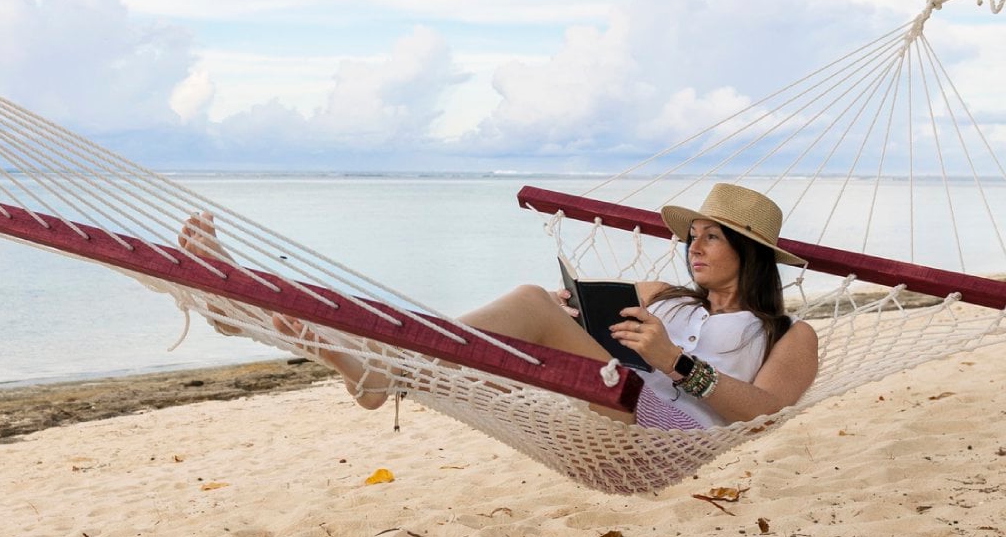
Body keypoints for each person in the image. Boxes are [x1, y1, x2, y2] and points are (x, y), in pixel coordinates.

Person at [178, 182, 819, 428]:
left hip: (674, 430)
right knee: (536, 316)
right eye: (691, 235)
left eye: (711, 236)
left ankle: (378, 364)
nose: (692, 246)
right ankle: (358, 358)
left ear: (750, 251)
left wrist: (673, 361)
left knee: (529, 304)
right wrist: (583, 316)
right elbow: (578, 310)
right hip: (615, 396)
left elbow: (765, 408)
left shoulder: (791, 334)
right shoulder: (664, 297)